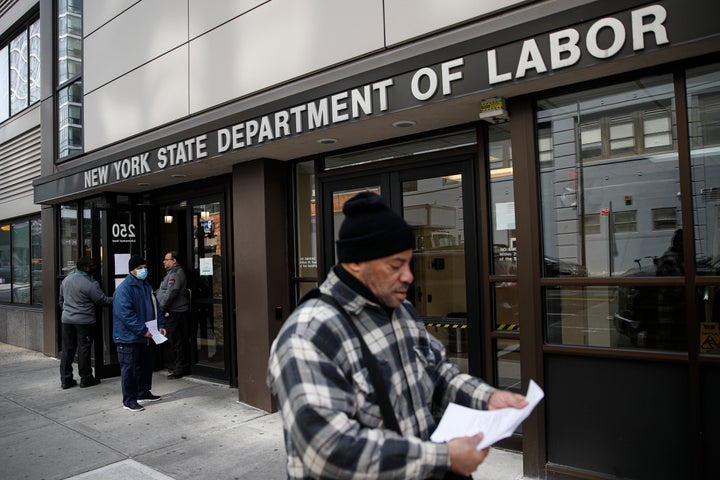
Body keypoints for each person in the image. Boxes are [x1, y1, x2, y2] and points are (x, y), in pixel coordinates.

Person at [267, 192, 528, 479]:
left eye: (409, 263)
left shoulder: (401, 310)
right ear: (355, 263)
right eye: (396, 265)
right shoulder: (308, 335)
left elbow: (438, 373)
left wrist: (487, 398)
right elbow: (326, 449)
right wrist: (442, 457)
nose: (409, 276)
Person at [113, 255, 166, 412]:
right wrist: (144, 331)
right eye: (139, 268)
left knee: (145, 366)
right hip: (128, 338)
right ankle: (129, 400)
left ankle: (143, 392)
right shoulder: (124, 289)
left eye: (144, 267)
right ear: (131, 270)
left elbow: (156, 308)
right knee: (129, 369)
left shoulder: (146, 286)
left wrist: (160, 325)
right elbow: (126, 316)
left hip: (145, 336)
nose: (143, 270)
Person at [58, 256, 113, 389]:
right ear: (85, 268)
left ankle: (66, 380)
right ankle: (86, 378)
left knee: (67, 349)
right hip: (84, 321)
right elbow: (103, 301)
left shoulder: (67, 279)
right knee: (84, 349)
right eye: (92, 265)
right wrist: (120, 298)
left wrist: (68, 311)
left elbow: (61, 300)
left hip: (67, 320)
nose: (95, 267)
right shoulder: (90, 284)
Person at [156, 251, 192, 379]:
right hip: (175, 311)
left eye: (167, 259)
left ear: (174, 261)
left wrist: (161, 307)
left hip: (177, 312)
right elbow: (164, 291)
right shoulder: (171, 274)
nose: (164, 262)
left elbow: (171, 292)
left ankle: (180, 368)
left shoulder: (175, 274)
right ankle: (179, 365)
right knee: (176, 340)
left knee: (177, 341)